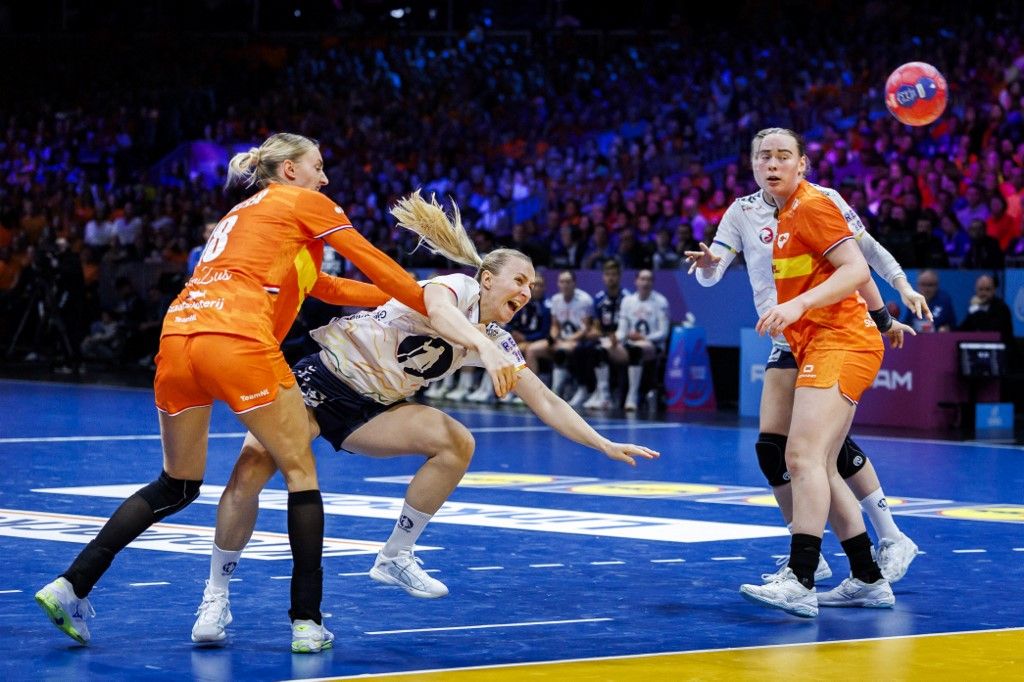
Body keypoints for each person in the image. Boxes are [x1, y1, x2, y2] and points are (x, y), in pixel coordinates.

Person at [190, 192, 659, 644]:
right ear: (487, 278)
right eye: (520, 279)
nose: (527, 290)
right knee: (249, 471)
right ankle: (216, 595)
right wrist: (481, 347)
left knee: (457, 441)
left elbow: (546, 400)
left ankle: (396, 555)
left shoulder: (496, 338)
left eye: (532, 286)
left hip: (372, 410)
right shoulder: (454, 287)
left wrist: (602, 443)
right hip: (321, 380)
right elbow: (439, 313)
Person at [35, 132, 431, 654]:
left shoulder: (245, 215)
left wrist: (412, 293)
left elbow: (328, 289)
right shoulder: (304, 202)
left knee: (175, 485)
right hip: (238, 342)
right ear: (289, 171)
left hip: (179, 339)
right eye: (317, 165)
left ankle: (71, 585)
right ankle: (307, 621)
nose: (325, 177)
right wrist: (431, 298)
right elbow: (370, 258)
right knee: (300, 473)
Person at [686, 127, 923, 587]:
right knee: (781, 451)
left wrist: (894, 300)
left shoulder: (819, 202)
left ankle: (871, 542)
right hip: (787, 335)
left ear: (801, 164)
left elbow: (861, 259)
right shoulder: (744, 212)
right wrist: (708, 266)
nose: (771, 164)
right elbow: (713, 270)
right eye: (763, 157)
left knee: (814, 452)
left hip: (824, 329)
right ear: (753, 164)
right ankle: (851, 567)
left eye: (782, 156)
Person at [568, 259, 629, 410]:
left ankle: (605, 393)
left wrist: (615, 336)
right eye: (608, 274)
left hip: (622, 339)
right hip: (604, 338)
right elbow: (596, 326)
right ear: (603, 277)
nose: (611, 278)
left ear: (619, 276)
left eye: (614, 274)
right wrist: (592, 332)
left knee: (597, 351)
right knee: (581, 348)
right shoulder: (599, 298)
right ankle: (587, 390)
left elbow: (629, 324)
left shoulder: (627, 298)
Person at [525, 270, 593, 398]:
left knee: (561, 350)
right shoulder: (556, 300)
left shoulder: (585, 300)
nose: (565, 285)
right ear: (558, 284)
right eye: (562, 282)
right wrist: (553, 337)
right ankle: (533, 392)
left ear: (574, 283)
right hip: (561, 340)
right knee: (531, 349)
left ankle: (556, 392)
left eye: (568, 282)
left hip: (577, 340)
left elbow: (585, 329)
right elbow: (555, 325)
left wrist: (567, 339)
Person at [615, 269, 670, 411]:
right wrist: (615, 339)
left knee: (636, 350)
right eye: (642, 279)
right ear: (636, 281)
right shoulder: (627, 301)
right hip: (630, 343)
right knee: (601, 349)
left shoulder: (660, 302)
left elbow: (663, 333)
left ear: (653, 282)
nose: (645, 282)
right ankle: (602, 393)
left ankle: (632, 395)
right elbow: (622, 330)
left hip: (653, 345)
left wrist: (644, 338)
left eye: (649, 279)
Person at [959, 274, 1014, 346]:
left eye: (987, 289)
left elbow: (988, 332)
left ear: (994, 290)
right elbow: (964, 329)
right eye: (981, 289)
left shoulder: (1001, 308)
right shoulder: (975, 307)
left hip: (1002, 350)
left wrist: (976, 309)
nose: (983, 293)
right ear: (976, 290)